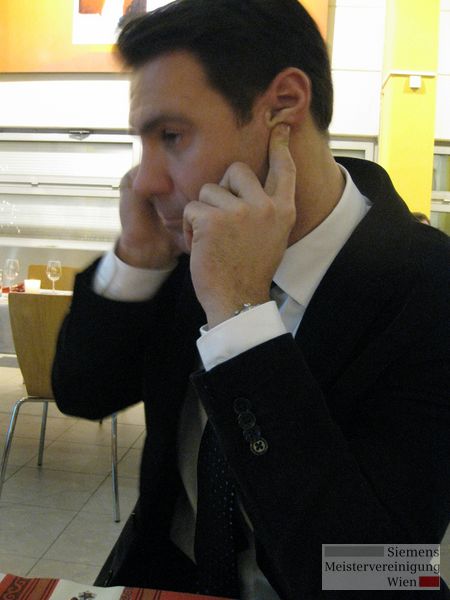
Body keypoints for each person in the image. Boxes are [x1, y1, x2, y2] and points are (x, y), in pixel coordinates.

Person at [52, 0, 450, 598]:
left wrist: (240, 317)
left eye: (171, 136)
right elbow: (83, 392)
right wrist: (137, 257)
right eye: (145, 141)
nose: (146, 180)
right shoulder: (188, 245)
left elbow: (378, 574)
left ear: (283, 106)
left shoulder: (429, 288)